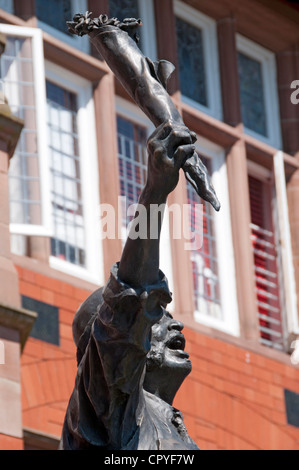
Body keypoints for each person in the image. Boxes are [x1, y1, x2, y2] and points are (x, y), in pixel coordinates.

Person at [59, 120, 199, 450]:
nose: (176, 323)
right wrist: (155, 191)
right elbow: (131, 299)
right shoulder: (108, 406)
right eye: (155, 320)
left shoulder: (167, 424)